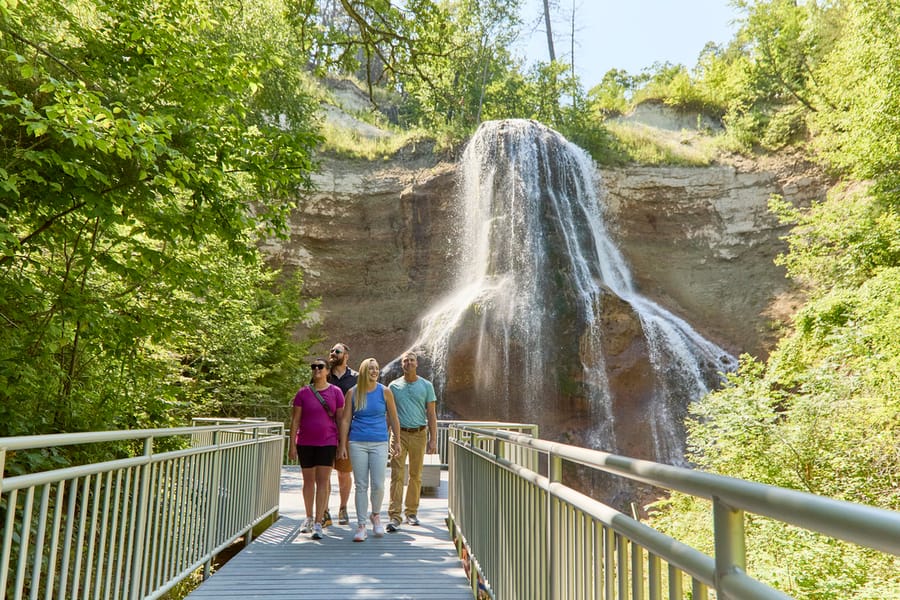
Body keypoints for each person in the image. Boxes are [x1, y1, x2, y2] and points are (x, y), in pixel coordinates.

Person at [337, 357, 400, 542]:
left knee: (379, 484)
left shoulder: (385, 391)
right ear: (364, 371)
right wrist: (342, 444)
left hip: (379, 442)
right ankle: (362, 525)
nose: (374, 371)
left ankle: (376, 515)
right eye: (371, 368)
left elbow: (394, 418)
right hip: (357, 442)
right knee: (361, 485)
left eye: (376, 368)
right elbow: (346, 420)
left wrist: (396, 442)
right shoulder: (353, 392)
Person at [288, 358, 345, 541]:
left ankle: (319, 523)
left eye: (320, 367)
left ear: (327, 371)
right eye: (314, 367)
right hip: (305, 442)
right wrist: (292, 445)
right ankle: (309, 517)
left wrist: (342, 445)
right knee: (308, 482)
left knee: (323, 481)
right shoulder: (303, 393)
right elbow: (295, 420)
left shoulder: (336, 392)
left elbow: (341, 420)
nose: (316, 369)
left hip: (327, 442)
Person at [386, 351, 438, 532]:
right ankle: (394, 515)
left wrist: (434, 439)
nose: (409, 363)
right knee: (396, 475)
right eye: (405, 360)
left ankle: (411, 512)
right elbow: (389, 414)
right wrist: (385, 436)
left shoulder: (426, 385)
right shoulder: (393, 386)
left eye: (412, 360)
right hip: (398, 436)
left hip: (419, 434)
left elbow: (431, 414)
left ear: (417, 364)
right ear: (402, 364)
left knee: (416, 475)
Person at [326, 342, 357, 526]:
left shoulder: (356, 378)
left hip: (348, 433)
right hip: (325, 431)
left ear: (346, 356)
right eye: (331, 351)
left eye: (337, 351)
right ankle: (324, 509)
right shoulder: (323, 374)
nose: (333, 353)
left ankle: (343, 508)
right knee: (324, 472)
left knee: (344, 473)